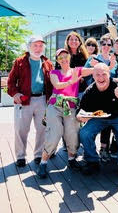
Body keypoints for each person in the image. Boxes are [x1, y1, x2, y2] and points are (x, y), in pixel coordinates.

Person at [37, 48, 93, 178]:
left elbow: (95, 70)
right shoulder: (54, 72)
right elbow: (57, 85)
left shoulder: (77, 70)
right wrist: (70, 82)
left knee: (72, 134)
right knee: (55, 133)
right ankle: (43, 162)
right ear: (57, 60)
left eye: (65, 56)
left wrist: (106, 65)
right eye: (60, 57)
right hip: (55, 106)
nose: (63, 59)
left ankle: (72, 160)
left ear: (69, 57)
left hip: (71, 107)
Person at [77, 63, 118, 178]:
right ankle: (92, 161)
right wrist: (82, 117)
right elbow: (80, 114)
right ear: (93, 76)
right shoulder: (89, 91)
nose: (101, 78)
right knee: (84, 133)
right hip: (98, 118)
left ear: (109, 74)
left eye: (104, 74)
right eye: (97, 75)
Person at [7, 35, 53, 167]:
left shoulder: (47, 63)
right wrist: (15, 93)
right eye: (35, 45)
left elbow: (53, 82)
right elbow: (10, 81)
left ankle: (39, 155)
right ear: (29, 47)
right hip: (24, 101)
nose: (38, 48)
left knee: (42, 129)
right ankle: (20, 156)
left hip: (42, 100)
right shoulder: (19, 61)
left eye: (40, 46)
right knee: (21, 129)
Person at [84, 33, 116, 161]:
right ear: (100, 45)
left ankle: (103, 148)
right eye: (104, 44)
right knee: (91, 123)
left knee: (107, 122)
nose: (106, 46)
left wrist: (111, 67)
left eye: (109, 44)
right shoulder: (93, 58)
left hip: (108, 96)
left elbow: (115, 77)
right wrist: (94, 68)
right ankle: (89, 151)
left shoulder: (114, 59)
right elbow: (83, 73)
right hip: (94, 95)